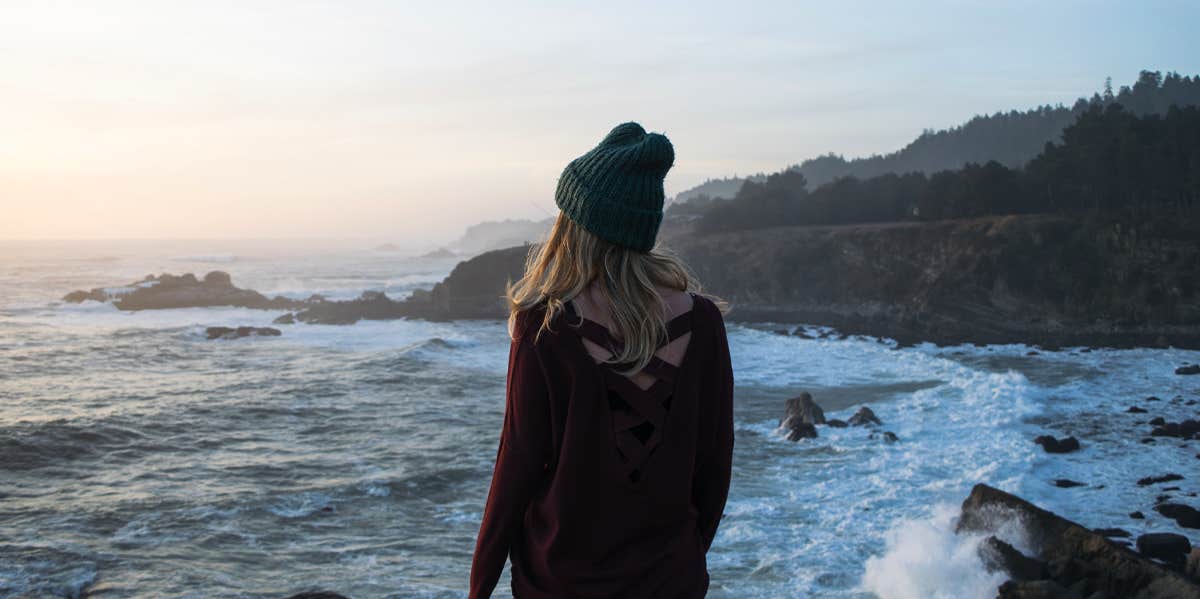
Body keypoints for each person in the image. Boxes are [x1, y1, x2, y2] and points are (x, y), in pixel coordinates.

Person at [469, 122, 735, 598]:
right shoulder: (703, 323)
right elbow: (714, 467)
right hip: (671, 582)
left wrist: (478, 589)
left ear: (578, 227)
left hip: (561, 584)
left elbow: (516, 471)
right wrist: (684, 559)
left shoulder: (544, 327)